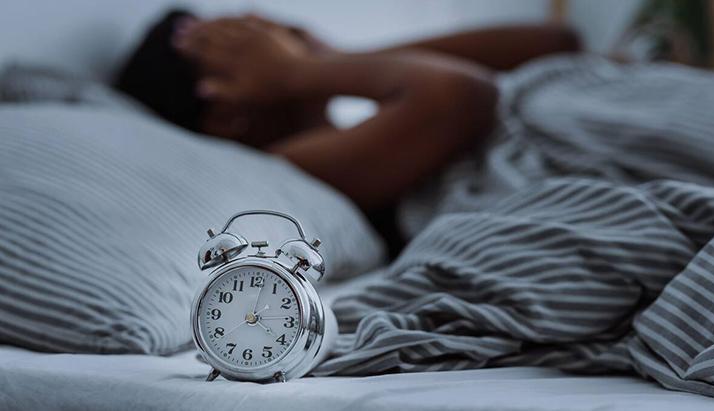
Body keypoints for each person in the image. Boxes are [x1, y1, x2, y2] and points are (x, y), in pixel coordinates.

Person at [116, 10, 580, 254]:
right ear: (224, 112)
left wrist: (329, 60)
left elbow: (555, 43)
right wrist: (300, 71)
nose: (261, 21)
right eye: (238, 41)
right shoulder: (289, 169)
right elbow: (465, 95)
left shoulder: (377, 108)